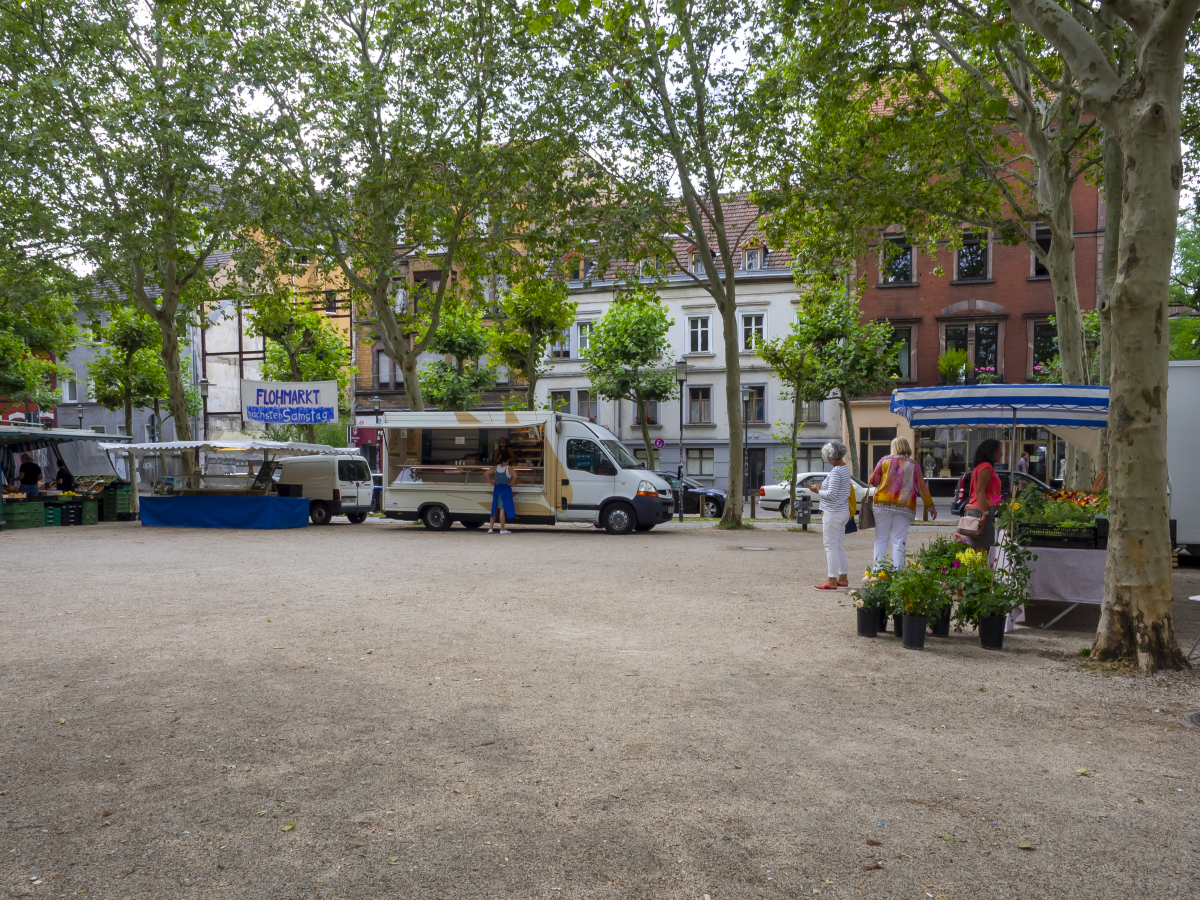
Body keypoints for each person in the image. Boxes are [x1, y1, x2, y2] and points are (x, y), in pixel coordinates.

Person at [868, 436, 936, 568]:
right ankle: (898, 573)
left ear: (893, 447)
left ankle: (878, 572)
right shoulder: (914, 466)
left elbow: (873, 480)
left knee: (881, 539)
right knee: (899, 540)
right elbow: (922, 487)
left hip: (882, 505)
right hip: (904, 507)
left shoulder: (884, 461)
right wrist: (930, 506)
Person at [815, 440, 852, 590]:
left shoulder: (836, 471)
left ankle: (831, 580)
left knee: (830, 546)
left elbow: (831, 495)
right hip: (842, 510)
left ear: (831, 456)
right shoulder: (844, 468)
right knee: (838, 545)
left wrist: (818, 491)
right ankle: (842, 577)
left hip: (833, 512)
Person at [963, 439, 1003, 548]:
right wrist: (985, 514)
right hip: (981, 511)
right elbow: (980, 491)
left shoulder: (980, 467)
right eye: (999, 451)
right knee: (982, 550)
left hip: (976, 509)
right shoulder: (986, 467)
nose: (1001, 454)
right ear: (992, 452)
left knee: (975, 549)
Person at [486, 447, 519, 534]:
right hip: (505, 490)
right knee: (502, 509)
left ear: (501, 459)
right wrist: (511, 483)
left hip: (496, 489)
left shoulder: (496, 467)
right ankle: (502, 529)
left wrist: (490, 481)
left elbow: (486, 473)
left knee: (494, 509)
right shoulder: (509, 468)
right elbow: (515, 476)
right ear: (508, 460)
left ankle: (490, 528)